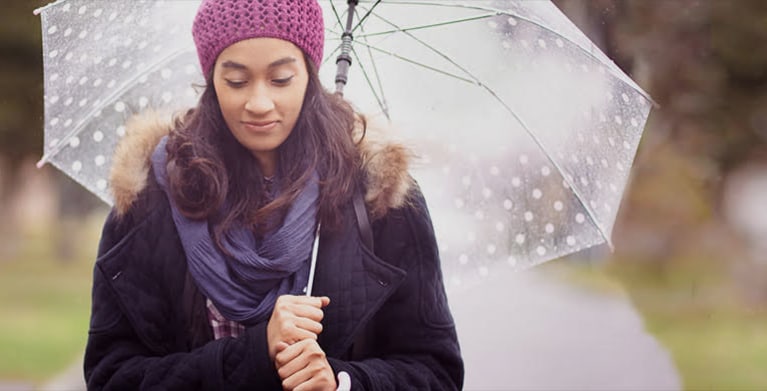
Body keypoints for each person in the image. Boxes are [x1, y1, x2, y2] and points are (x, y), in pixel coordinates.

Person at [83, 0, 463, 390]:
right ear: (212, 79)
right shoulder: (154, 193)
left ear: (309, 75)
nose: (259, 103)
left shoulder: (379, 195)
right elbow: (111, 375)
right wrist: (253, 353)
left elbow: (435, 371)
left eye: (281, 79)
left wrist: (343, 382)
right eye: (236, 81)